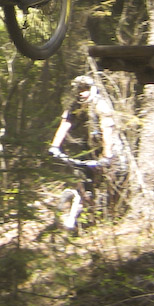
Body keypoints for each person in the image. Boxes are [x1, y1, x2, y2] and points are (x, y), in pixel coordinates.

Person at [47, 75, 126, 232]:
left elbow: (107, 130)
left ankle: (114, 216)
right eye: (79, 89)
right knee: (84, 180)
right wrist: (55, 146)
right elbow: (65, 123)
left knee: (117, 177)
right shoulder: (75, 105)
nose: (81, 93)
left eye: (85, 89)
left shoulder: (100, 104)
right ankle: (81, 212)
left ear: (92, 89)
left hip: (111, 148)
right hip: (90, 147)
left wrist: (107, 155)